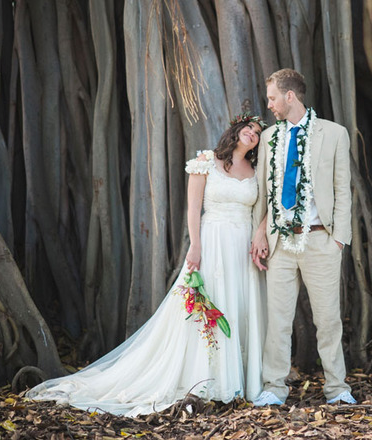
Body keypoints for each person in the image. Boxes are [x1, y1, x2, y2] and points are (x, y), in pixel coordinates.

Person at [27, 116, 266, 417]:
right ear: (235, 130)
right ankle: (209, 380)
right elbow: (193, 208)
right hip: (213, 242)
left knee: (239, 307)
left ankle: (237, 380)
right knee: (209, 306)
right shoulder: (206, 161)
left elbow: (265, 209)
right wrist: (195, 245)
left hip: (242, 246)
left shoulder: (256, 171)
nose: (252, 134)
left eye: (258, 133)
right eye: (249, 128)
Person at [250, 69, 356, 406]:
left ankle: (337, 389)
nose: (269, 105)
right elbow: (264, 192)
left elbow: (343, 189)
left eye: (272, 98)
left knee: (327, 321)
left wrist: (338, 239)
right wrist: (260, 232)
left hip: (320, 240)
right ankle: (274, 387)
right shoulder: (269, 138)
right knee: (278, 321)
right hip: (281, 243)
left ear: (290, 96)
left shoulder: (334, 134)